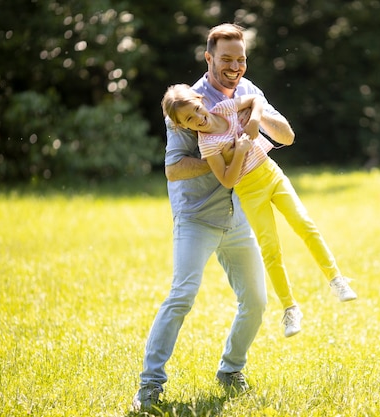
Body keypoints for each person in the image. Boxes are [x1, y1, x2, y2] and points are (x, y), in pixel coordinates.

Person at [132, 23, 293, 411]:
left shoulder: (250, 91)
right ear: (209, 58)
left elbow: (286, 137)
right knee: (182, 295)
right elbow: (173, 169)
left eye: (240, 59)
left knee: (255, 301)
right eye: (226, 59)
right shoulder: (188, 103)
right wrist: (221, 155)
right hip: (197, 217)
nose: (234, 66)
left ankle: (230, 369)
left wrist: (256, 116)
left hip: (238, 216)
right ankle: (150, 386)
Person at [160, 83, 358, 340]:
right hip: (250, 192)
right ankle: (290, 308)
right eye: (189, 119)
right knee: (270, 248)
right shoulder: (207, 144)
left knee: (305, 224)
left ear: (201, 100)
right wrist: (239, 152)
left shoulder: (223, 108)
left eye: (197, 109)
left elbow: (254, 99)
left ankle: (336, 279)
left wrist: (253, 121)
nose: (198, 118)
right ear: (182, 126)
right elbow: (227, 181)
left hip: (272, 175)